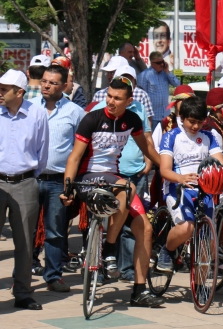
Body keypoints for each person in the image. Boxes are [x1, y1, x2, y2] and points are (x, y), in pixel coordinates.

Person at [61, 76, 164, 307]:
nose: (110, 101)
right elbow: (75, 157)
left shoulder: (133, 120)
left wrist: (168, 168)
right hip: (88, 179)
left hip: (115, 181)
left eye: (117, 98)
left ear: (129, 101)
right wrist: (67, 188)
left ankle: (138, 290)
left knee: (145, 229)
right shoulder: (92, 119)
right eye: (108, 95)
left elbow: (147, 147)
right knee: (127, 187)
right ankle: (109, 248)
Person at [91, 65, 157, 282]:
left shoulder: (138, 109)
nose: (114, 99)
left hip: (134, 173)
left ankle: (128, 271)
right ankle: (97, 270)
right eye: (120, 80)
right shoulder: (97, 110)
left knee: (134, 226)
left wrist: (152, 163)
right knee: (101, 222)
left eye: (129, 81)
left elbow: (147, 140)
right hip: (101, 176)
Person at [155, 96, 223, 273]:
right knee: (187, 228)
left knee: (206, 236)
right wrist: (180, 179)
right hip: (178, 188)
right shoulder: (171, 136)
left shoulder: (209, 136)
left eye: (200, 122)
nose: (196, 126)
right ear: (181, 117)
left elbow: (220, 162)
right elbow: (164, 170)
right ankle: (167, 250)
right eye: (191, 121)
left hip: (205, 189)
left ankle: (201, 288)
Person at [0, 69, 49, 310]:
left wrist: (30, 178)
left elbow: (42, 151)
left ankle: (23, 292)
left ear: (19, 92)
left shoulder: (37, 114)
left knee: (24, 243)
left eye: (3, 89)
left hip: (25, 183)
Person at [34, 64, 85, 292]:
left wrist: (72, 183)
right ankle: (22, 276)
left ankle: (53, 276)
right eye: (44, 81)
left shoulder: (75, 112)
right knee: (26, 229)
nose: (46, 85)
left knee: (55, 230)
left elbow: (81, 148)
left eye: (53, 82)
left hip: (58, 181)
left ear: (64, 86)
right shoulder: (30, 107)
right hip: (30, 179)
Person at [92, 55, 154, 126]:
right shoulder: (99, 95)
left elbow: (148, 126)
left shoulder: (142, 96)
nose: (109, 76)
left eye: (112, 72)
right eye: (108, 72)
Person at [137, 50, 180, 120]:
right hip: (153, 116)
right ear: (152, 63)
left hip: (165, 115)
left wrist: (168, 72)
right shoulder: (144, 76)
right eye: (159, 63)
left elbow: (177, 84)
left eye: (162, 62)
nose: (162, 65)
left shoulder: (165, 73)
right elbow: (141, 97)